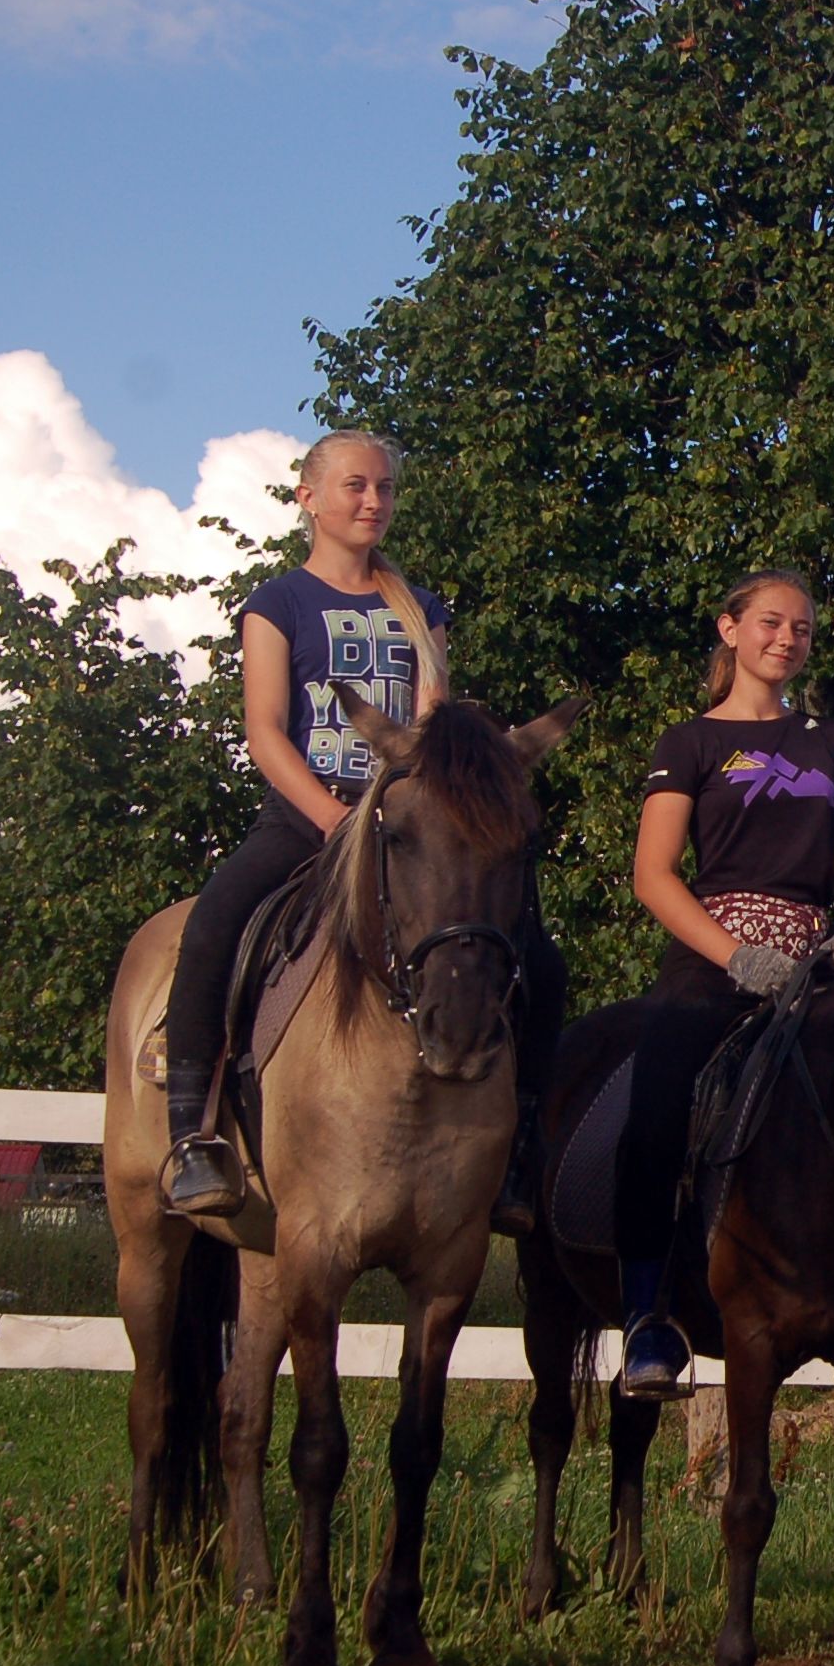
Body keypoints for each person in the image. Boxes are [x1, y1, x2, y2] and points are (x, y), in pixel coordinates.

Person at [161, 431, 566, 1234]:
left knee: (539, 957)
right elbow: (265, 731)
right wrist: (330, 817)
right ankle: (191, 1135)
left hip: (407, 819)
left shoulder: (421, 608)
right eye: (355, 486)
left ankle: (521, 1146)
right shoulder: (278, 603)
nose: (373, 501)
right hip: (308, 815)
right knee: (213, 922)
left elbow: (432, 732)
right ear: (308, 498)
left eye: (384, 488)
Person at [611, 568, 834, 1398]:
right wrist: (734, 956)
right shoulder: (687, 743)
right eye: (771, 623)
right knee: (657, 1105)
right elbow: (654, 875)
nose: (787, 639)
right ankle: (648, 1316)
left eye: (801, 628)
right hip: (714, 954)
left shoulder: (832, 741)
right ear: (730, 630)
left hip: (816, 956)